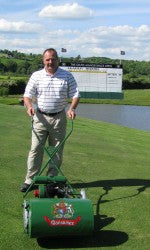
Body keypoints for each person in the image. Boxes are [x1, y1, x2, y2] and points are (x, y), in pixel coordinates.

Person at [20, 48, 80, 192]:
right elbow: (27, 95)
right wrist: (29, 106)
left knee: (57, 151)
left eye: (53, 59)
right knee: (35, 149)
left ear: (57, 59)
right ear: (43, 60)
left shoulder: (67, 76)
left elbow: (75, 94)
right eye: (47, 59)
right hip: (40, 117)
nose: (50, 62)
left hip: (59, 118)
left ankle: (51, 180)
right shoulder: (36, 75)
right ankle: (30, 180)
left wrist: (72, 108)